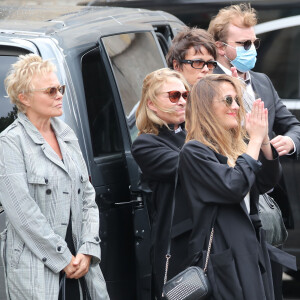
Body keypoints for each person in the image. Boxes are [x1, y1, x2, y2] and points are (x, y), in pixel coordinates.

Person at [208, 4, 300, 298]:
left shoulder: (261, 81)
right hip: (233, 203)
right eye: (243, 44)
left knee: (270, 284)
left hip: (269, 202)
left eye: (254, 43)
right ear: (220, 48)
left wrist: (290, 141)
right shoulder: (206, 86)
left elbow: (292, 124)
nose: (251, 49)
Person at [0, 54, 110, 300]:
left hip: (81, 261)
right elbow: (22, 213)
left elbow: (88, 196)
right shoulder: (10, 142)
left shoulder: (66, 133)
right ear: (24, 98)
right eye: (50, 90)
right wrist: (62, 258)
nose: (59, 95)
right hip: (38, 269)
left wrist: (88, 249)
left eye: (60, 88)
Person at [179, 74, 296, 300]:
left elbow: (265, 182)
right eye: (228, 100)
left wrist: (262, 140)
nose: (235, 107)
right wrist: (253, 141)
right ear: (206, 107)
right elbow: (233, 186)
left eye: (237, 101)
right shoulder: (194, 151)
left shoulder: (234, 145)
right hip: (224, 251)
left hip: (249, 248)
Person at [131, 68, 190, 299]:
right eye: (174, 96)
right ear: (152, 104)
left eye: (186, 95)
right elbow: (194, 167)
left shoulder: (193, 133)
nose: (182, 101)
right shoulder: (146, 144)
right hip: (177, 244)